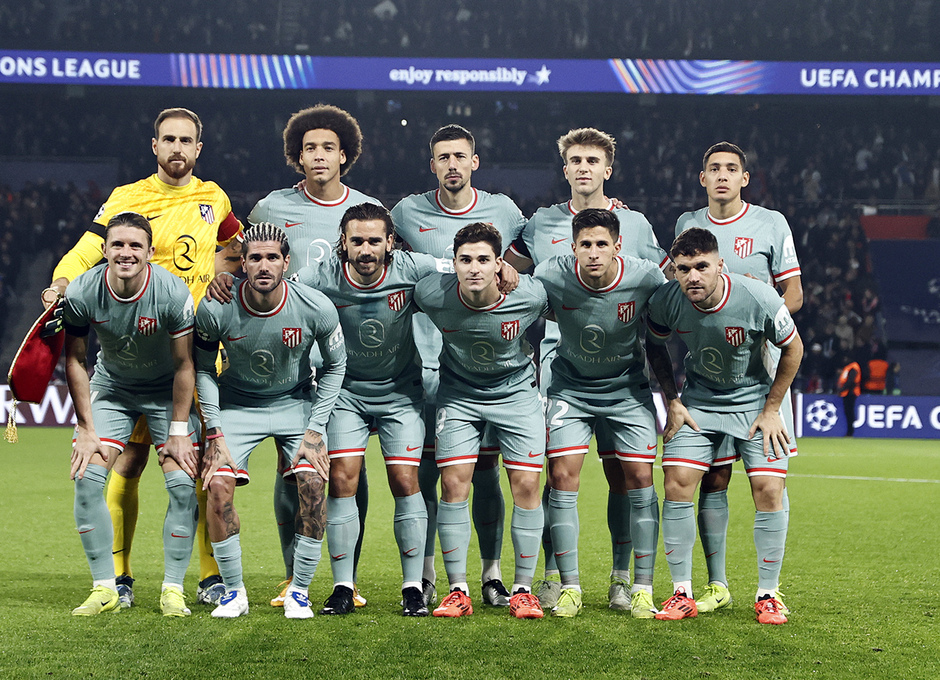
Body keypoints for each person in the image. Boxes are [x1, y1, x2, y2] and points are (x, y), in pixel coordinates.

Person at [45, 107, 243, 608]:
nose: (177, 148)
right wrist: (62, 282)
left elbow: (233, 245)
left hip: (193, 352)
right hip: (132, 347)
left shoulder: (213, 197)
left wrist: (224, 272)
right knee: (128, 463)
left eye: (187, 141)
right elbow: (87, 250)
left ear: (199, 148)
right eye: (168, 139)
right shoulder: (127, 199)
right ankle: (121, 576)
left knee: (196, 467)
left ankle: (206, 577)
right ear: (154, 146)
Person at [504, 127, 668, 611]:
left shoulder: (635, 225)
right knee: (559, 475)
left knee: (625, 475)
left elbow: (657, 292)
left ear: (606, 169)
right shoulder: (540, 223)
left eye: (592, 161)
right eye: (574, 160)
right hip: (560, 367)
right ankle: (555, 574)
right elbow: (513, 278)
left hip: (623, 370)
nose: (582, 168)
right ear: (565, 169)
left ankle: (623, 578)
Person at [247, 104, 382, 608]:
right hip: (290, 361)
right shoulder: (269, 209)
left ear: (344, 155)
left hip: (348, 361)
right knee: (293, 468)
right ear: (296, 157)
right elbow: (244, 265)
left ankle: (348, 577)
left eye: (328, 147)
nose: (319, 155)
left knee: (349, 470)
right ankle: (291, 576)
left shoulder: (367, 208)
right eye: (309, 148)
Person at [391, 124, 526, 607]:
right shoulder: (406, 212)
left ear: (474, 162)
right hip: (425, 361)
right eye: (442, 157)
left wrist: (511, 267)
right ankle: (428, 574)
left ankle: (491, 574)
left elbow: (522, 268)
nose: (451, 164)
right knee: (432, 472)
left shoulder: (506, 212)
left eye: (460, 156)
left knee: (486, 472)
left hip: (482, 367)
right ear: (432, 165)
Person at [646, 227, 802, 625]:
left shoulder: (756, 297)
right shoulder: (667, 301)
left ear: (720, 265)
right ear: (675, 272)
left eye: (701, 267)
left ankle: (768, 594)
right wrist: (673, 400)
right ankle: (682, 592)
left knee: (769, 487)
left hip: (755, 403)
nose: (693, 277)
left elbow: (793, 347)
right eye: (683, 269)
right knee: (677, 480)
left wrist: (772, 408)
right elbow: (654, 343)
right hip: (699, 402)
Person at [673, 141, 802, 614]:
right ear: (702, 177)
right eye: (714, 169)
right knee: (713, 480)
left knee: (768, 485)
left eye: (732, 169)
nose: (723, 176)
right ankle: (716, 583)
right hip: (707, 378)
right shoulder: (688, 226)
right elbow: (675, 295)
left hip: (762, 368)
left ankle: (768, 591)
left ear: (745, 178)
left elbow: (794, 294)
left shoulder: (771, 223)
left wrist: (754, 320)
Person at [195, 223, 346, 619]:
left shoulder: (314, 306)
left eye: (272, 257)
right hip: (237, 406)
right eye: (255, 257)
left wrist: (315, 429)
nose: (264, 265)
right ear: (241, 262)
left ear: (286, 262)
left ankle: (299, 591)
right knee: (218, 486)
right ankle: (233, 593)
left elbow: (336, 366)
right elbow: (202, 371)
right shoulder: (215, 307)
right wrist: (213, 431)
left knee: (314, 483)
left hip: (294, 402)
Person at [62, 212, 200, 617]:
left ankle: (173, 589)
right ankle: (104, 588)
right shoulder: (83, 292)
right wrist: (86, 428)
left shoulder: (173, 294)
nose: (126, 252)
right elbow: (74, 359)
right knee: (87, 477)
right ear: (104, 250)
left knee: (180, 484)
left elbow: (184, 366)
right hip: (114, 390)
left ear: (150, 252)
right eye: (117, 244)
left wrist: (177, 429)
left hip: (164, 393)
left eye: (135, 245)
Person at [534, 208, 670, 618]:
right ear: (572, 247)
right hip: (570, 390)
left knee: (638, 479)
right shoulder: (550, 274)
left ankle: (632, 583)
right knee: (560, 476)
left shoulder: (646, 277)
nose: (594, 253)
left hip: (627, 391)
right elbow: (520, 308)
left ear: (617, 246)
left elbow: (672, 319)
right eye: (586, 245)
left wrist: (675, 396)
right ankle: (568, 586)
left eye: (602, 245)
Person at [414, 223, 548, 620]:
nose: (474, 268)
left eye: (484, 260)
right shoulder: (432, 293)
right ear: (452, 264)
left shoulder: (529, 294)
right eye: (466, 260)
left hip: (516, 394)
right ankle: (457, 590)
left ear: (498, 265)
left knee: (526, 484)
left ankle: (523, 589)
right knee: (454, 483)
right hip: (459, 394)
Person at [837, 355, 862, 436]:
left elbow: (851, 381)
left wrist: (842, 389)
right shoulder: (849, 367)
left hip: (850, 393)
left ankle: (850, 431)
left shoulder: (853, 367)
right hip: (847, 393)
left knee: (849, 412)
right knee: (848, 412)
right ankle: (849, 431)